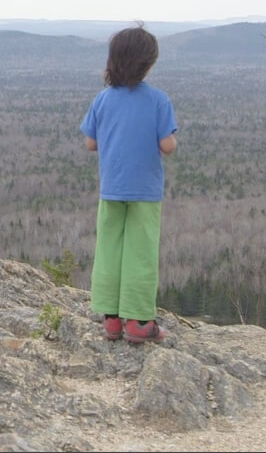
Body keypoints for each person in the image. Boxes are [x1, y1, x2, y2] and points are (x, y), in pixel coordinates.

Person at [79, 25, 178, 344]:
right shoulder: (158, 100)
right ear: (147, 63)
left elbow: (90, 143)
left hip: (112, 189)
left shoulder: (102, 99)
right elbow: (167, 145)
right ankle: (138, 322)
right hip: (145, 192)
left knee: (109, 250)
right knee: (141, 252)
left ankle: (110, 320)